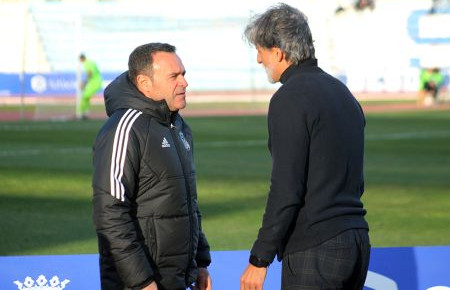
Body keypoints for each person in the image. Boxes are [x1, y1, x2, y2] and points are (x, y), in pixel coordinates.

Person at [240, 4, 370, 290]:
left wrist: (259, 258)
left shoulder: (290, 98)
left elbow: (287, 187)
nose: (259, 59)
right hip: (356, 239)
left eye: (260, 49)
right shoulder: (342, 92)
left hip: (317, 247)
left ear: (278, 52)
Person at [92, 43, 212, 290]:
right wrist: (141, 280)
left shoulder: (179, 127)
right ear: (145, 83)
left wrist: (200, 263)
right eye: (174, 76)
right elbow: (110, 213)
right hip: (140, 283)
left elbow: (189, 204)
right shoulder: (124, 128)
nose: (184, 83)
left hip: (177, 279)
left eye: (184, 74)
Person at [79, 54, 102, 119]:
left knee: (84, 96)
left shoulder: (86, 64)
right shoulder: (91, 62)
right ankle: (85, 113)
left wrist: (84, 82)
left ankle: (82, 113)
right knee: (86, 97)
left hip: (95, 83)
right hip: (96, 82)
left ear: (81, 59)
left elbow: (90, 73)